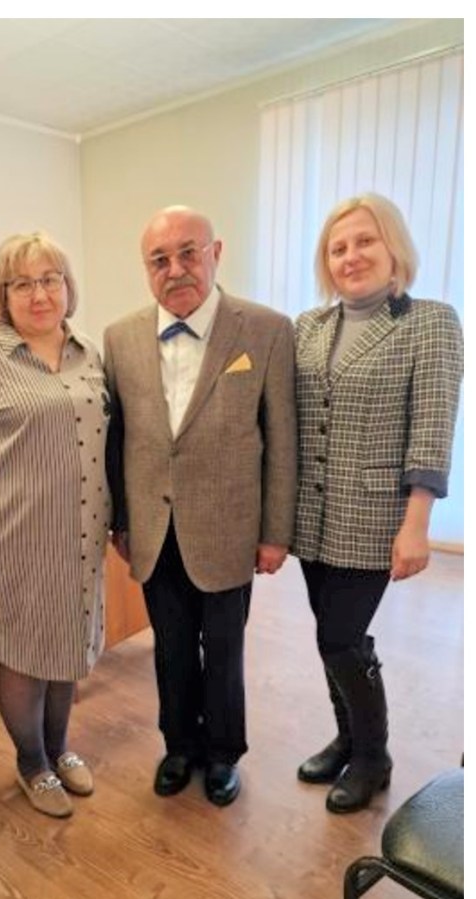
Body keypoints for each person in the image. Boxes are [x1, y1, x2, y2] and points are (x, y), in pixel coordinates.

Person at [104, 205, 297, 807]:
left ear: (216, 253)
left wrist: (276, 533)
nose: (176, 269)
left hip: (228, 529)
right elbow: (118, 438)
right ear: (146, 270)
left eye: (189, 253)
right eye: (159, 260)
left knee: (225, 651)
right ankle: (179, 746)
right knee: (170, 648)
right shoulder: (120, 337)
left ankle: (223, 754)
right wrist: (121, 520)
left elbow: (282, 439)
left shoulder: (265, 330)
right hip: (154, 527)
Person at [293, 193, 463, 813]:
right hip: (310, 516)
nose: (351, 256)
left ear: (394, 247)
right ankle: (347, 738)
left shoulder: (430, 322)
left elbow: (431, 427)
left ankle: (373, 756)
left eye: (365, 241)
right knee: (331, 637)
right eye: (337, 248)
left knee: (341, 638)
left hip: (372, 517)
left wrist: (417, 523)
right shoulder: (308, 327)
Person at [0, 232, 109, 819]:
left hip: (82, 535)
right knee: (25, 652)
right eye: (23, 284)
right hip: (15, 538)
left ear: (67, 286)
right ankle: (32, 763)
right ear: (2, 295)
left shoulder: (88, 351)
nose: (40, 294)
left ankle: (59, 749)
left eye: (50, 279)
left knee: (67, 646)